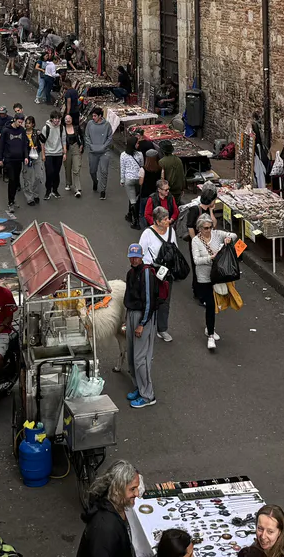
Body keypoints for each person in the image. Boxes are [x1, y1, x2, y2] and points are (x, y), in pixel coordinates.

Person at [124, 244, 165, 408]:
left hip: (143, 317)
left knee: (141, 358)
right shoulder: (130, 273)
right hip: (131, 314)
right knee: (132, 355)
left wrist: (142, 324)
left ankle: (148, 395)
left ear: (141, 256)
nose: (134, 259)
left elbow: (149, 301)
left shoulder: (146, 273)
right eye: (131, 256)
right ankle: (138, 387)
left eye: (136, 256)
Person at [190, 214, 237, 350]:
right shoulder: (196, 241)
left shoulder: (216, 234)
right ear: (199, 228)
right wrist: (211, 258)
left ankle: (209, 328)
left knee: (214, 304)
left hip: (217, 275)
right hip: (204, 277)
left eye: (210, 227)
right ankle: (210, 334)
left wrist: (228, 238)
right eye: (205, 228)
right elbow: (196, 260)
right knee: (210, 304)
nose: (208, 230)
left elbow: (233, 235)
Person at [77, 459, 139, 557]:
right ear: (116, 490)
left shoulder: (114, 505)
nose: (137, 494)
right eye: (132, 489)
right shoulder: (105, 530)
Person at [139, 206, 176, 341]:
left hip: (167, 273)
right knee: (149, 299)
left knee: (165, 301)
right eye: (165, 219)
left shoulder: (171, 231)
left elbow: (175, 250)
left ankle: (162, 329)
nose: (168, 221)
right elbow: (141, 253)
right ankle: (145, 325)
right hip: (152, 271)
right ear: (157, 221)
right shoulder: (147, 234)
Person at [0, 112, 26, 217]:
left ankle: (13, 198)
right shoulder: (6, 131)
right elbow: (0, 145)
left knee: (16, 180)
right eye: (19, 122)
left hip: (18, 160)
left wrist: (25, 156)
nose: (20, 124)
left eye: (22, 122)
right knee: (12, 180)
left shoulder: (22, 130)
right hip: (9, 160)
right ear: (14, 120)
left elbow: (24, 145)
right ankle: (10, 202)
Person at [85, 107, 114, 198]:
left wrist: (104, 146)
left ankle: (103, 191)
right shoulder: (90, 124)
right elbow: (86, 136)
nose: (93, 117)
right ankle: (95, 181)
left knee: (104, 171)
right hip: (93, 152)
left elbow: (110, 138)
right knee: (92, 171)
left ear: (100, 116)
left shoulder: (107, 125)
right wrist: (91, 146)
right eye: (92, 116)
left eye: (95, 116)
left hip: (104, 152)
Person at [119, 140, 145, 226]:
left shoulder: (123, 155)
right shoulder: (140, 154)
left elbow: (122, 169)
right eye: (137, 143)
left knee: (132, 199)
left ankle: (135, 221)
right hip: (138, 178)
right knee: (135, 197)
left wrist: (122, 180)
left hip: (129, 179)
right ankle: (130, 215)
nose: (138, 144)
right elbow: (142, 165)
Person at [43, 110, 66, 199]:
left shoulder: (61, 128)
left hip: (58, 153)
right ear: (51, 119)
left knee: (56, 173)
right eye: (55, 119)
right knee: (49, 172)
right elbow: (42, 142)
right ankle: (48, 190)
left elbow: (63, 140)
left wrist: (64, 152)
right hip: (49, 153)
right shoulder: (46, 128)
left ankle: (55, 190)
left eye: (58, 119)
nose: (56, 121)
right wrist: (43, 155)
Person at [63, 105, 83, 197]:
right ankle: (68, 183)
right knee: (67, 167)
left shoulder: (76, 127)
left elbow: (82, 137)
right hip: (66, 149)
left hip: (75, 148)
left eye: (69, 118)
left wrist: (82, 145)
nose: (68, 120)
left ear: (72, 119)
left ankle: (77, 188)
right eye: (66, 119)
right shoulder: (62, 129)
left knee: (76, 169)